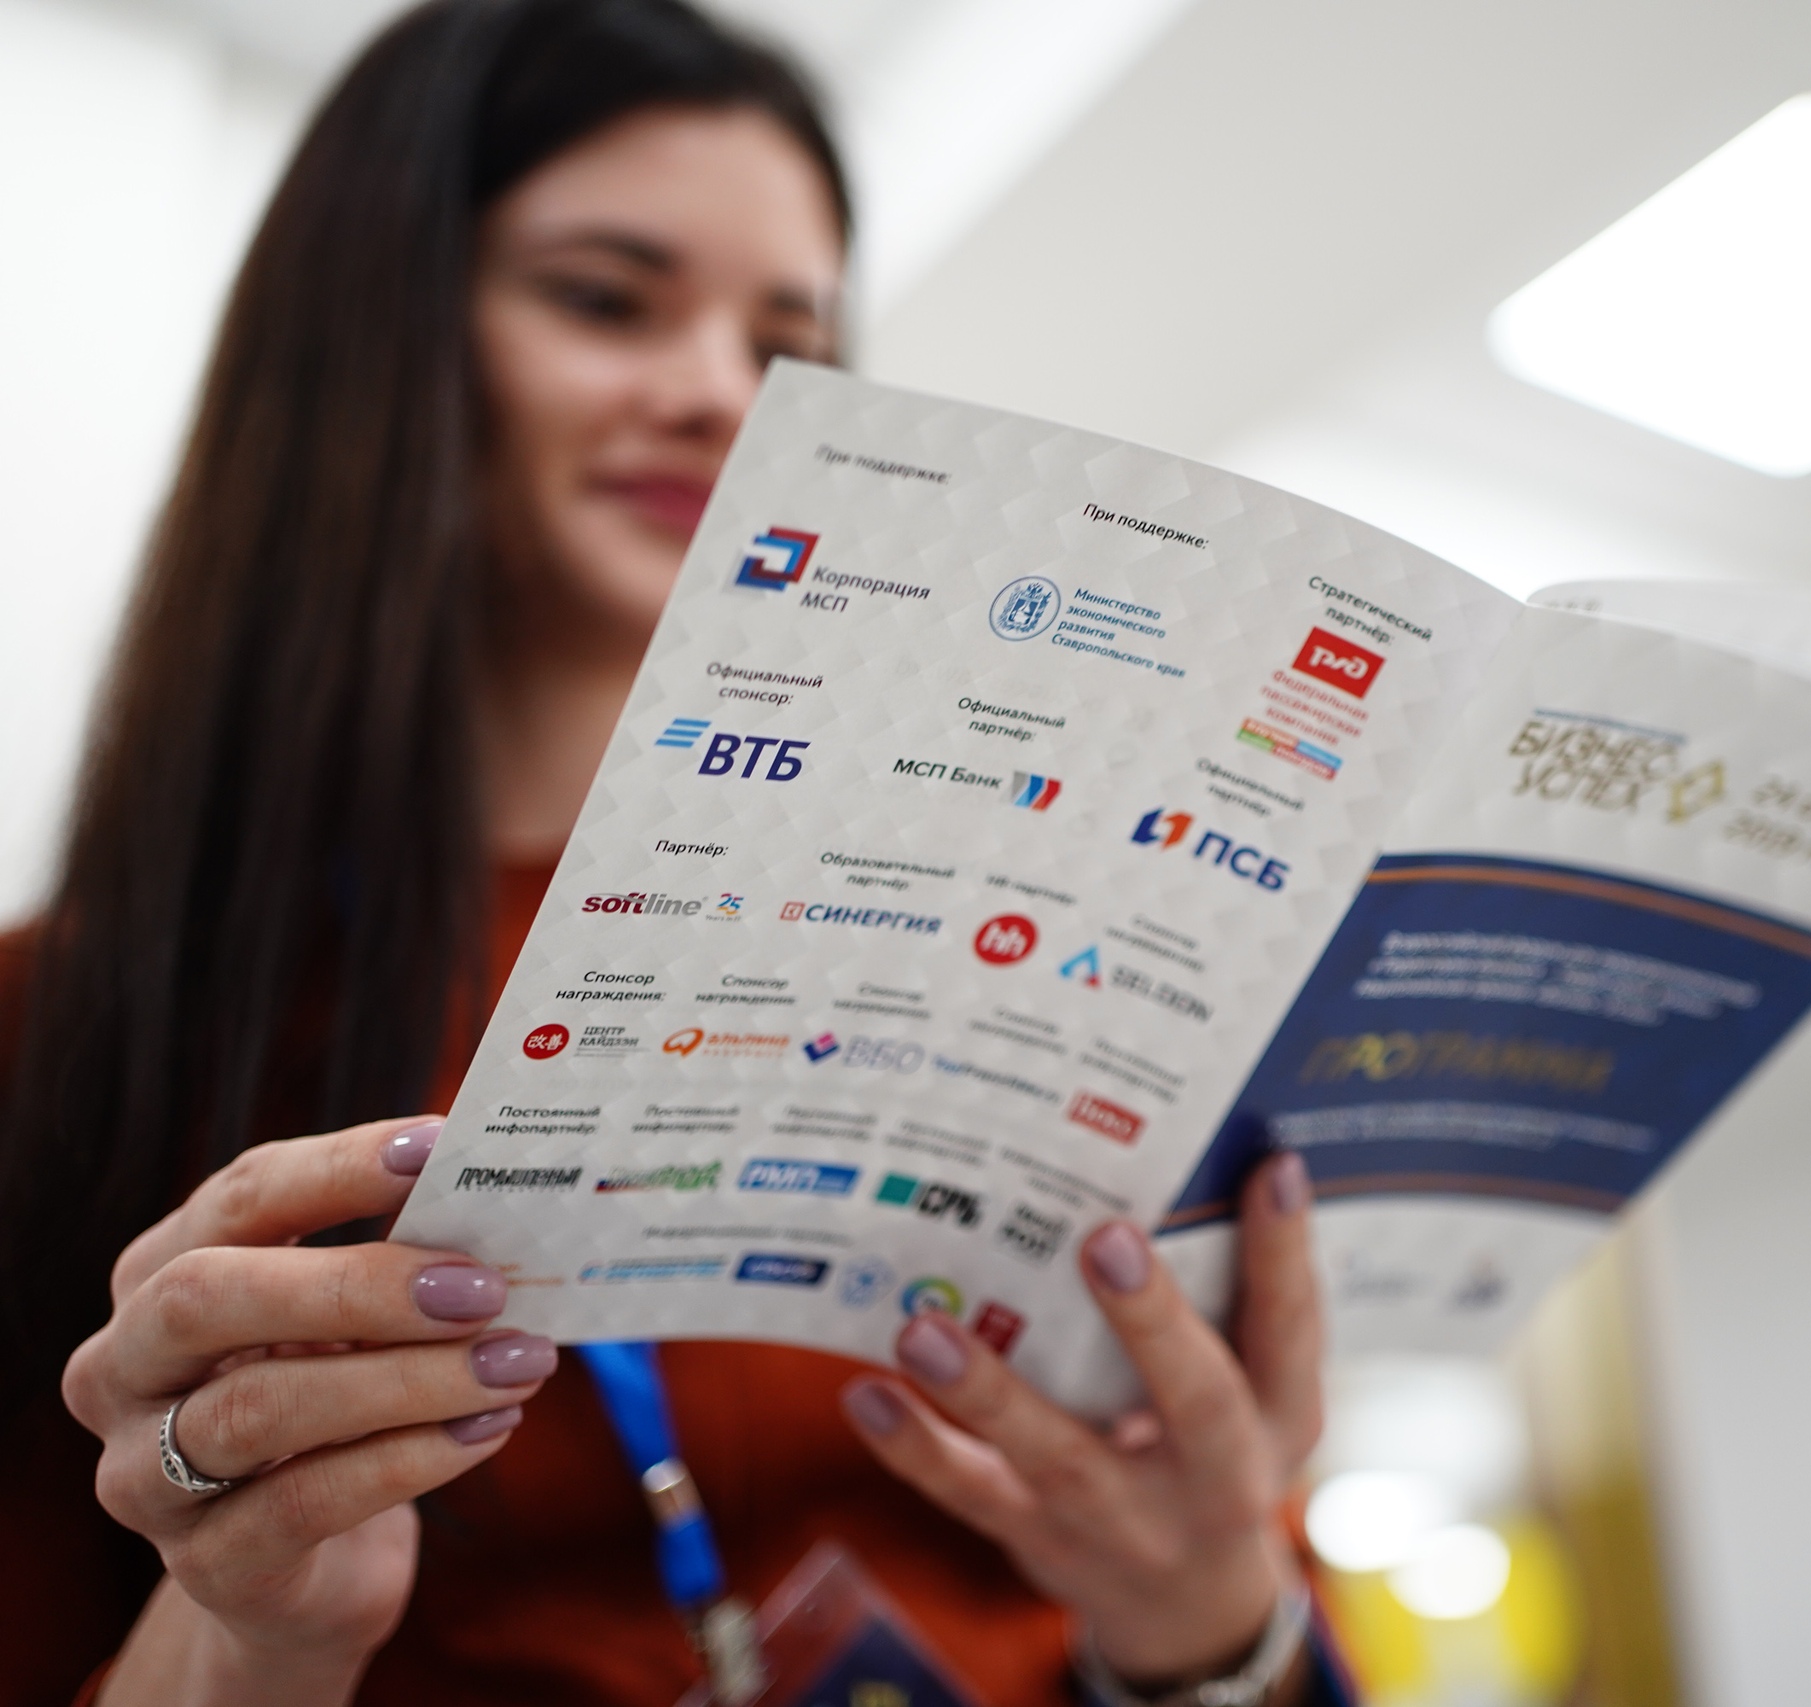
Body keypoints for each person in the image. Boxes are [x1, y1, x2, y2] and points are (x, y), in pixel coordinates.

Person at [0, 2, 1330, 1703]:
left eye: (787, 341)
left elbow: (1239, 1592)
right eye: (604, 299)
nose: (718, 392)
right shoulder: (62, 1020)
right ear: (375, 336)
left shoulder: (1020, 937)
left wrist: (1211, 1622)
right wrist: (255, 1629)